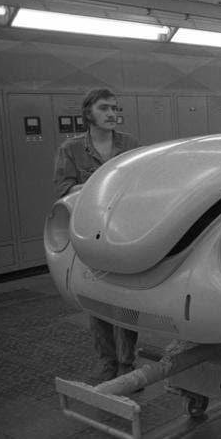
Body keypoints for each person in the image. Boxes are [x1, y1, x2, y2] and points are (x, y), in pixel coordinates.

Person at [53, 88, 141, 382]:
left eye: (115, 108)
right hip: (88, 234)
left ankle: (128, 364)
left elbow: (141, 183)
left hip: (123, 232)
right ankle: (108, 363)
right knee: (97, 299)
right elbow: (64, 188)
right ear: (88, 113)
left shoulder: (130, 144)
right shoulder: (71, 149)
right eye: (104, 108)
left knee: (127, 299)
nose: (112, 113)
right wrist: (99, 186)